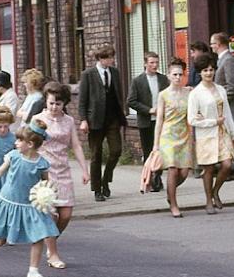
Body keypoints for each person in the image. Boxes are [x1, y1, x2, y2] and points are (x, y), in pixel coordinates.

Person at [0, 118, 60, 277]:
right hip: (9, 202)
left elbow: (46, 185)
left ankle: (33, 271)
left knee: (39, 237)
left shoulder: (42, 163)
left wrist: (50, 205)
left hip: (30, 205)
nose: (16, 142)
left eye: (19, 140)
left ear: (30, 144)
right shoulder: (13, 156)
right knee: (0, 238)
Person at [37, 82, 90, 269]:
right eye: (51, 103)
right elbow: (29, 143)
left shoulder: (68, 121)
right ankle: (53, 253)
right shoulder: (38, 119)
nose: (54, 107)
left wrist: (85, 169)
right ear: (46, 101)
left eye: (58, 104)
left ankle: (49, 240)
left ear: (64, 104)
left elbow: (75, 145)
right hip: (44, 171)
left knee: (66, 214)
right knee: (51, 214)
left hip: (63, 169)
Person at [188, 54, 234, 215]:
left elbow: (227, 114)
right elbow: (192, 119)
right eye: (205, 70)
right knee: (209, 169)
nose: (209, 73)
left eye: (211, 70)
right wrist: (212, 122)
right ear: (200, 72)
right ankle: (208, 200)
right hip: (206, 135)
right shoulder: (196, 94)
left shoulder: (221, 90)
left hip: (223, 133)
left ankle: (216, 190)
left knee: (227, 165)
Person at [77, 46, 126, 201]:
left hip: (113, 118)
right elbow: (82, 100)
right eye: (110, 57)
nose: (112, 60)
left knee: (116, 150)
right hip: (95, 120)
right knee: (96, 155)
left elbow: (118, 94)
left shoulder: (115, 72)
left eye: (112, 57)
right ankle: (97, 189)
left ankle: (106, 179)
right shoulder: (88, 75)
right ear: (101, 59)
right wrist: (84, 120)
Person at [153, 58, 196, 218]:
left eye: (180, 74)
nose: (178, 77)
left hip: (184, 134)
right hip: (168, 136)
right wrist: (155, 145)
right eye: (175, 74)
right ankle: (174, 205)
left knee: (184, 172)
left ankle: (170, 193)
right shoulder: (163, 95)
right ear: (169, 75)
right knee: (172, 168)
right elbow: (159, 121)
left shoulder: (189, 92)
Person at [127, 52, 169, 192]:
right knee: (149, 151)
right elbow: (131, 101)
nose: (154, 65)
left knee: (161, 151)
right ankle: (149, 178)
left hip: (161, 121)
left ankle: (158, 178)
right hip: (146, 121)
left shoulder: (163, 79)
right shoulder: (138, 81)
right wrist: (149, 110)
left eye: (156, 62)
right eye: (151, 62)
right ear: (145, 63)